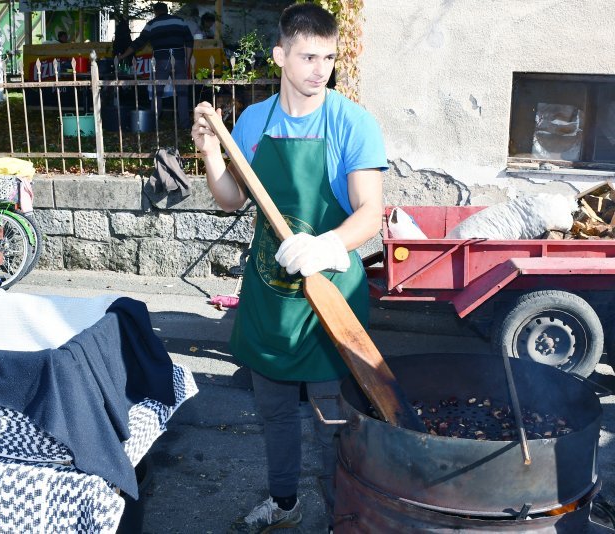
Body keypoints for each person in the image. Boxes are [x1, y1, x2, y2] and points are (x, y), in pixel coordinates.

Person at [191, 3, 387, 533]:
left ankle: (339, 517)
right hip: (269, 302)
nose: (319, 69)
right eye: (307, 56)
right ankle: (283, 505)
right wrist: (212, 153)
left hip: (330, 306)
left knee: (334, 425)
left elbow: (370, 210)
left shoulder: (352, 123)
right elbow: (232, 198)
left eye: (327, 57)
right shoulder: (255, 121)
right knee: (274, 415)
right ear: (280, 55)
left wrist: (327, 245)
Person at [117, 2, 193, 129]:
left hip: (161, 60)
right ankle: (184, 124)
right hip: (179, 59)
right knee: (182, 93)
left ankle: (153, 123)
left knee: (157, 92)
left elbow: (138, 43)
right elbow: (190, 41)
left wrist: (122, 56)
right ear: (167, 10)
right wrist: (187, 61)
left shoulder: (152, 24)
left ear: (156, 11)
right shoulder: (180, 21)